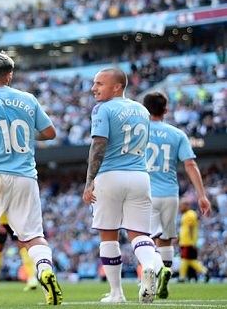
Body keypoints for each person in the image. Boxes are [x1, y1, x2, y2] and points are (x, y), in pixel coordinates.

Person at [0, 52, 63, 306]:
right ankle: (43, 268)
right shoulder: (28, 99)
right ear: (10, 75)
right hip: (25, 176)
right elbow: (50, 133)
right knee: (32, 235)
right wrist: (30, 138)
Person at [82, 68, 164, 304]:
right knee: (140, 235)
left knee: (108, 235)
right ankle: (150, 265)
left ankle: (116, 293)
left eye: (99, 83)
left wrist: (90, 182)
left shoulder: (103, 109)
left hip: (110, 175)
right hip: (140, 175)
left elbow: (99, 144)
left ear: (117, 86)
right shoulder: (142, 109)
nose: (93, 88)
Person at [142, 91, 212, 298]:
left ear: (144, 110)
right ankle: (166, 278)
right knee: (166, 239)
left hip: (146, 193)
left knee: (145, 238)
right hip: (170, 194)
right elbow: (190, 164)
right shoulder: (177, 134)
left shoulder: (139, 132)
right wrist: (201, 195)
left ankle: (152, 277)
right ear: (166, 110)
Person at [178, 199, 211, 283]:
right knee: (189, 260)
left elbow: (190, 229)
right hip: (186, 241)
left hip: (188, 242)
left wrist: (192, 241)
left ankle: (182, 277)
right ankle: (204, 271)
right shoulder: (186, 214)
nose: (180, 208)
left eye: (181, 206)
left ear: (186, 206)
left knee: (185, 260)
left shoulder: (190, 215)